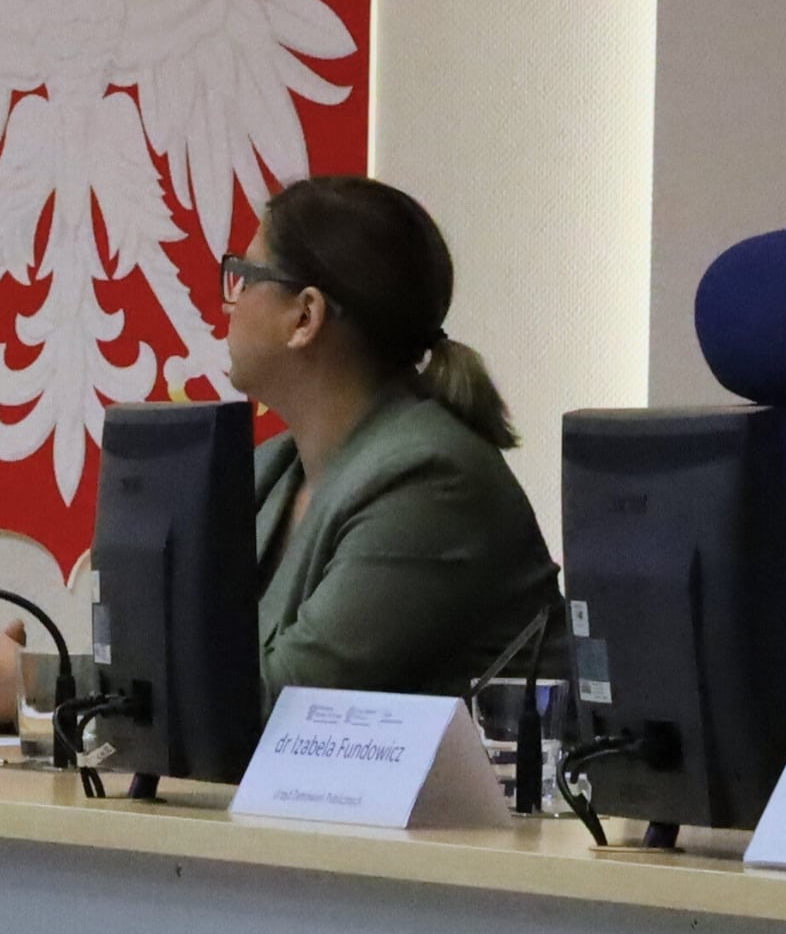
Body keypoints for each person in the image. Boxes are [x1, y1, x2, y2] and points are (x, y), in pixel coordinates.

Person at [223, 173, 559, 701]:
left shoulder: (431, 483)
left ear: (305, 316)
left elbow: (288, 704)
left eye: (244, 277)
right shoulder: (269, 469)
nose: (231, 301)